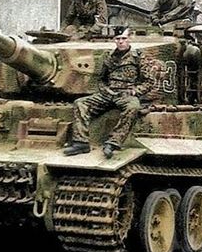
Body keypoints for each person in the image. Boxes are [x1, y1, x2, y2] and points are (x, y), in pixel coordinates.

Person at [64, 26, 151, 159]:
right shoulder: (109, 57)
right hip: (108, 94)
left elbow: (149, 81)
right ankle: (81, 143)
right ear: (114, 40)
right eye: (118, 39)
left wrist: (135, 91)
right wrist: (105, 90)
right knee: (80, 103)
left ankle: (113, 142)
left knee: (133, 107)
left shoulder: (138, 57)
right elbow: (102, 80)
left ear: (129, 39)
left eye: (123, 38)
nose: (121, 41)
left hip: (126, 95)